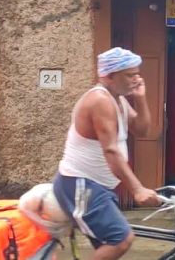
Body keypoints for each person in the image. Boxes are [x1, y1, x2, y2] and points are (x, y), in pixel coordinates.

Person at [53, 47, 160, 260]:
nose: (136, 79)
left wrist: (140, 98)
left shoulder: (118, 99)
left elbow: (142, 130)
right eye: (130, 75)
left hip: (97, 186)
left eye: (137, 73)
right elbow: (110, 150)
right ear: (110, 76)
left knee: (109, 245)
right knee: (121, 239)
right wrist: (137, 189)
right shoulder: (100, 100)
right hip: (80, 184)